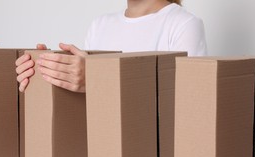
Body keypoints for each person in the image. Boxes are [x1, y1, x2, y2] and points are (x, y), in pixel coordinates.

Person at [16, 0, 207, 93]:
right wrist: (48, 70)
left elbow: (187, 105)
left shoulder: (183, 24)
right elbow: (92, 103)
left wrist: (96, 78)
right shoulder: (100, 24)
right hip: (105, 152)